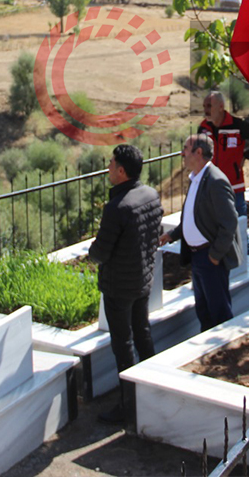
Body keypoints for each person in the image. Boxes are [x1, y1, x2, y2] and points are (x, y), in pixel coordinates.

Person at [87, 144, 164, 424]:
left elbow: (101, 252)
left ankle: (129, 405)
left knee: (123, 345)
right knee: (143, 335)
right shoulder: (151, 196)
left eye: (110, 164)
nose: (107, 167)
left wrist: (91, 253)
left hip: (119, 287)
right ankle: (152, 390)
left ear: (121, 170)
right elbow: (156, 233)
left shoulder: (117, 207)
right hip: (142, 280)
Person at [159, 134, 242, 332]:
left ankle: (224, 350)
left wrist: (214, 255)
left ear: (198, 152)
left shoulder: (215, 181)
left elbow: (229, 222)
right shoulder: (196, 178)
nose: (182, 154)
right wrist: (173, 235)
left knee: (219, 313)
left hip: (210, 258)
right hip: (197, 258)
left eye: (186, 149)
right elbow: (194, 217)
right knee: (204, 313)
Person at [198, 91, 249, 219]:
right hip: (210, 189)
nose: (205, 110)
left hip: (234, 188)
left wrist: (246, 155)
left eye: (209, 106)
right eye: (204, 106)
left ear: (221, 107)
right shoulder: (203, 128)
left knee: (240, 229)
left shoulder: (238, 125)